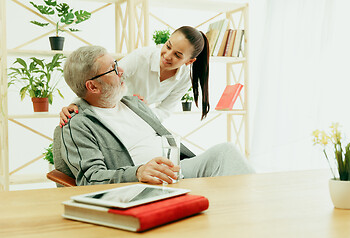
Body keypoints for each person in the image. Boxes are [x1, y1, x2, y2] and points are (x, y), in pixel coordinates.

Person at [59, 45, 255, 186]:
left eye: (117, 63)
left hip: (176, 170)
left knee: (225, 153)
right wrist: (138, 172)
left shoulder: (132, 102)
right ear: (92, 86)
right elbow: (90, 178)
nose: (122, 70)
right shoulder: (77, 124)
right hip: (144, 184)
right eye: (113, 69)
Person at [59, 26, 210, 126]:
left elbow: (165, 110)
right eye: (168, 46)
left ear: (189, 61)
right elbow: (100, 80)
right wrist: (75, 105)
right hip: (112, 111)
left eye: (177, 55)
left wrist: (143, 111)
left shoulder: (184, 78)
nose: (167, 56)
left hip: (140, 121)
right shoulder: (141, 58)